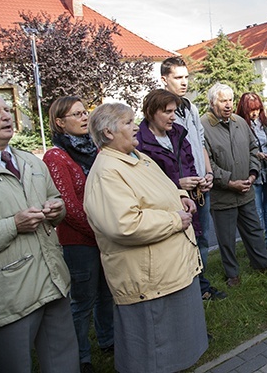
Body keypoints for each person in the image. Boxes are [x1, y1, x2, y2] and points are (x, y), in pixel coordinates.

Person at [83, 103, 207, 373]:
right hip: (148, 279)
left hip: (169, 269)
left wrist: (182, 198)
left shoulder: (138, 157)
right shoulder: (107, 172)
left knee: (176, 347)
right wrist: (176, 219)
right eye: (128, 123)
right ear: (108, 132)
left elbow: (164, 189)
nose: (136, 126)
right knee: (154, 352)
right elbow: (125, 224)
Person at [0, 90, 79, 373]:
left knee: (64, 362)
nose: (6, 116)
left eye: (6, 109)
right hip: (7, 296)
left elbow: (57, 200)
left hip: (53, 282)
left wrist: (56, 209)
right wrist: (12, 225)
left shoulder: (30, 161)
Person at [43, 96, 114, 372]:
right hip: (78, 241)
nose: (85, 117)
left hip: (102, 235)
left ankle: (108, 340)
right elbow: (68, 206)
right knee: (82, 301)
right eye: (77, 114)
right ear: (60, 122)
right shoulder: (55, 156)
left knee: (106, 293)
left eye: (85, 112)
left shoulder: (94, 149)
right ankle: (80, 356)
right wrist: (99, 230)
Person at [134, 89, 226, 301]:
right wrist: (178, 184)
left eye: (174, 111)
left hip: (191, 200)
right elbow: (145, 181)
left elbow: (189, 161)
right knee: (174, 251)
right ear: (151, 112)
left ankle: (200, 286)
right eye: (167, 112)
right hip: (164, 209)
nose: (173, 117)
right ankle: (184, 294)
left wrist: (199, 181)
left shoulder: (177, 132)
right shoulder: (140, 141)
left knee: (198, 240)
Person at [201, 83, 267, 286]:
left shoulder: (240, 122)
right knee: (226, 238)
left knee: (254, 231)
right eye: (223, 101)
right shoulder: (203, 126)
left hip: (246, 189)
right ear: (212, 102)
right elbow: (207, 162)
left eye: (230, 100)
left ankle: (264, 265)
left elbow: (253, 149)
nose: (228, 105)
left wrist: (252, 175)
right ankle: (232, 274)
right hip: (223, 195)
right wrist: (229, 182)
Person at [160, 57, 216, 289]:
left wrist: (209, 172)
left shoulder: (190, 107)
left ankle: (201, 283)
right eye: (178, 78)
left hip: (201, 186)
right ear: (165, 80)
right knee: (183, 237)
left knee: (202, 235)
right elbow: (157, 156)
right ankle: (189, 285)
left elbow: (200, 142)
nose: (184, 82)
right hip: (179, 189)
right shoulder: (160, 109)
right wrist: (177, 183)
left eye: (186, 77)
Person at [235, 92, 267, 256]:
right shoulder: (240, 126)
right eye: (251, 110)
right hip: (253, 175)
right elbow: (239, 150)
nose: (255, 113)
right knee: (256, 213)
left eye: (257, 109)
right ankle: (259, 248)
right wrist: (256, 154)